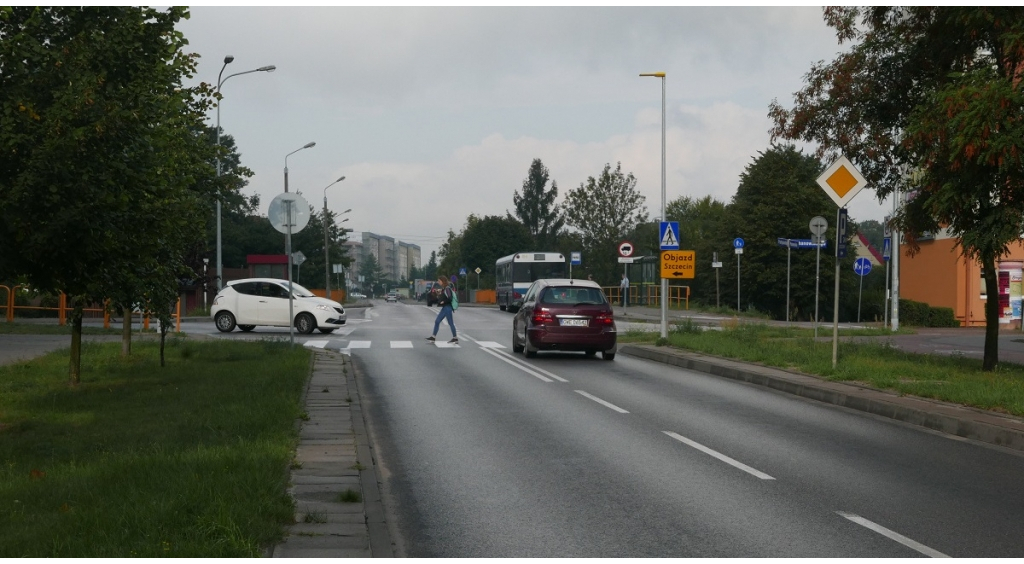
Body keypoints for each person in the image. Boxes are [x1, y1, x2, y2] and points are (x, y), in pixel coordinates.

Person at [427, 275, 458, 344]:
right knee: (437, 321)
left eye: (439, 281)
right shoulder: (445, 288)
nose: (438, 282)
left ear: (442, 281)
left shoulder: (447, 288)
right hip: (445, 307)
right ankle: (433, 336)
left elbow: (450, 298)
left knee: (450, 323)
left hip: (447, 307)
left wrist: (443, 301)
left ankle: (455, 338)